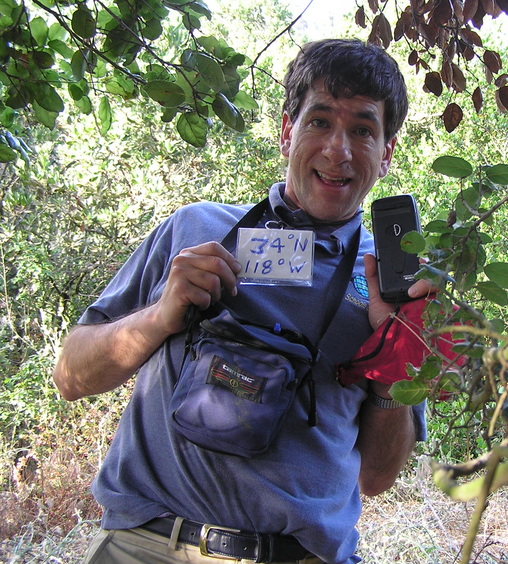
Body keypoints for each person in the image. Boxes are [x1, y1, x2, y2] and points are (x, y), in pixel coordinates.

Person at [52, 38, 433, 564]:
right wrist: (161, 316)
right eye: (320, 121)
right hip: (147, 547)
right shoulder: (198, 229)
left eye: (363, 130)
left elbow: (377, 477)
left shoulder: (392, 284)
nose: (338, 149)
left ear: (386, 153)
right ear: (286, 131)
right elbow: (71, 377)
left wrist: (393, 357)